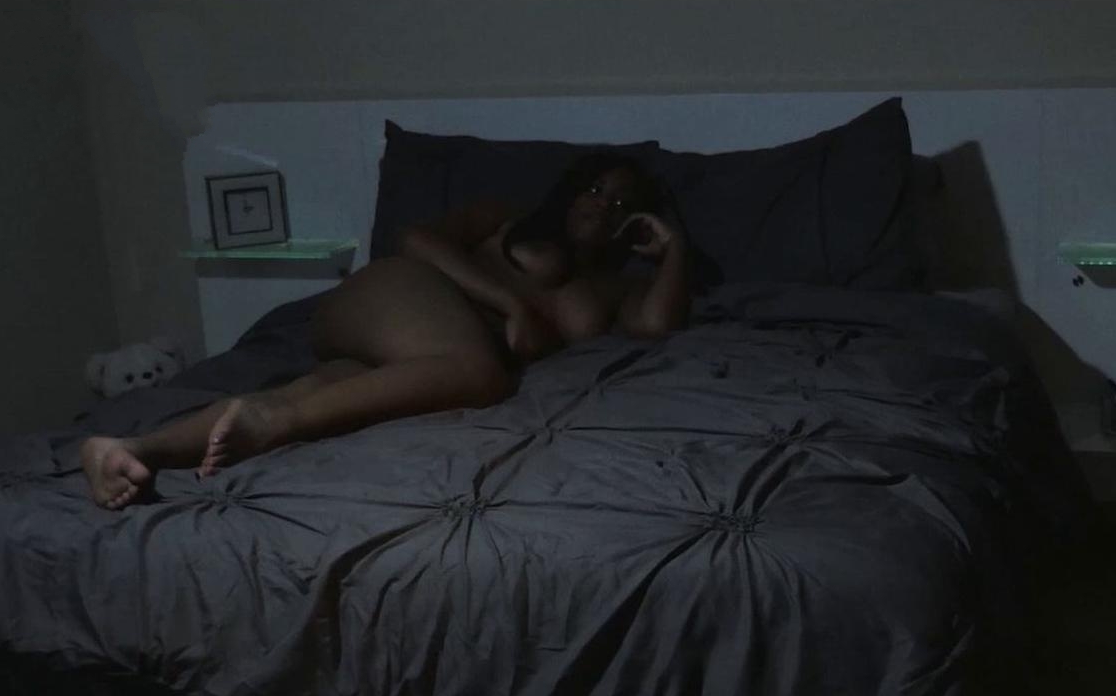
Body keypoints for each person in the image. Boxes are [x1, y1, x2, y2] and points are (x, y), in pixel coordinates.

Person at [81, 154, 691, 508]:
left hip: (419, 356)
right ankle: (272, 427)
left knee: (317, 390)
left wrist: (674, 249)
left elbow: (656, 324)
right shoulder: (505, 218)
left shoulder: (613, 288)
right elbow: (415, 240)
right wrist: (509, 303)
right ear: (570, 190)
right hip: (396, 296)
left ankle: (131, 450)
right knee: (481, 374)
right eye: (595, 189)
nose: (601, 205)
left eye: (621, 203)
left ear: (632, 222)